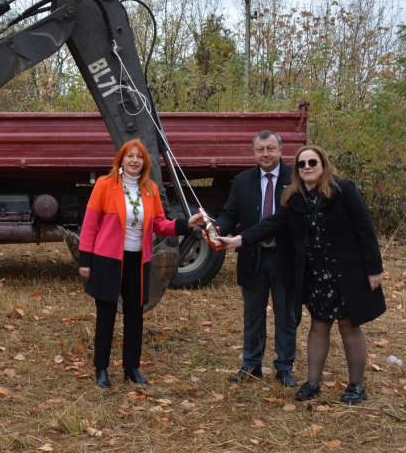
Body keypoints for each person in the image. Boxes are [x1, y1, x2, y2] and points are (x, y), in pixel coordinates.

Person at [217, 145, 385, 404]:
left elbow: (366, 229)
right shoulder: (294, 197)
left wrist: (374, 270)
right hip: (317, 275)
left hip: (347, 274)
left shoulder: (344, 190)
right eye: (301, 164)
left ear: (323, 164)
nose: (307, 167)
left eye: (312, 162)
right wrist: (238, 240)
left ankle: (356, 386)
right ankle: (313, 384)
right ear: (296, 169)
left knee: (349, 325)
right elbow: (272, 223)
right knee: (318, 325)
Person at [78, 140, 204, 388]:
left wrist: (186, 224)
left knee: (135, 318)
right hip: (108, 260)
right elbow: (90, 225)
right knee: (106, 317)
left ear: (145, 162)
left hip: (138, 261)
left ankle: (131, 368)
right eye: (130, 156)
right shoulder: (105, 185)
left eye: (140, 157)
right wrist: (86, 261)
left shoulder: (151, 189)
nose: (135, 160)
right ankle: (101, 369)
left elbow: (160, 225)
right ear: (121, 160)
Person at [214, 131, 298, 387]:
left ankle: (284, 368)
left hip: (285, 258)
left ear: (281, 150)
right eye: (260, 149)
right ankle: (251, 365)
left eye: (271, 148)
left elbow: (287, 219)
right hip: (253, 257)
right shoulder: (243, 180)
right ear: (254, 153)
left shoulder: (295, 178)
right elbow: (230, 213)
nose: (266, 154)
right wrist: (219, 228)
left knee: (286, 316)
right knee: (252, 315)